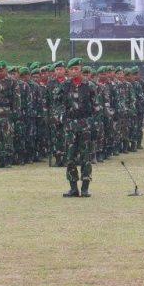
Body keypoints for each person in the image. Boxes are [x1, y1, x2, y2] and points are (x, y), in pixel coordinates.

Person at [62, 58, 97, 197]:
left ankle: (85, 188)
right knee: (70, 157)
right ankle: (73, 188)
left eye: (77, 68)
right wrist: (62, 118)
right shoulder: (65, 86)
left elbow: (96, 107)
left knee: (86, 157)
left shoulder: (90, 86)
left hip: (85, 125)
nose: (74, 71)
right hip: (70, 125)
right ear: (68, 71)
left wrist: (93, 124)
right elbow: (58, 103)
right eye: (72, 69)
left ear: (81, 69)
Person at [0, 61, 19, 168]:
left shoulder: (12, 82)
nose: (0, 73)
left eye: (2, 71)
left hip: (7, 112)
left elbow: (16, 98)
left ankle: (8, 161)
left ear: (6, 70)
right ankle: (0, 160)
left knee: (7, 136)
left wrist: (15, 112)